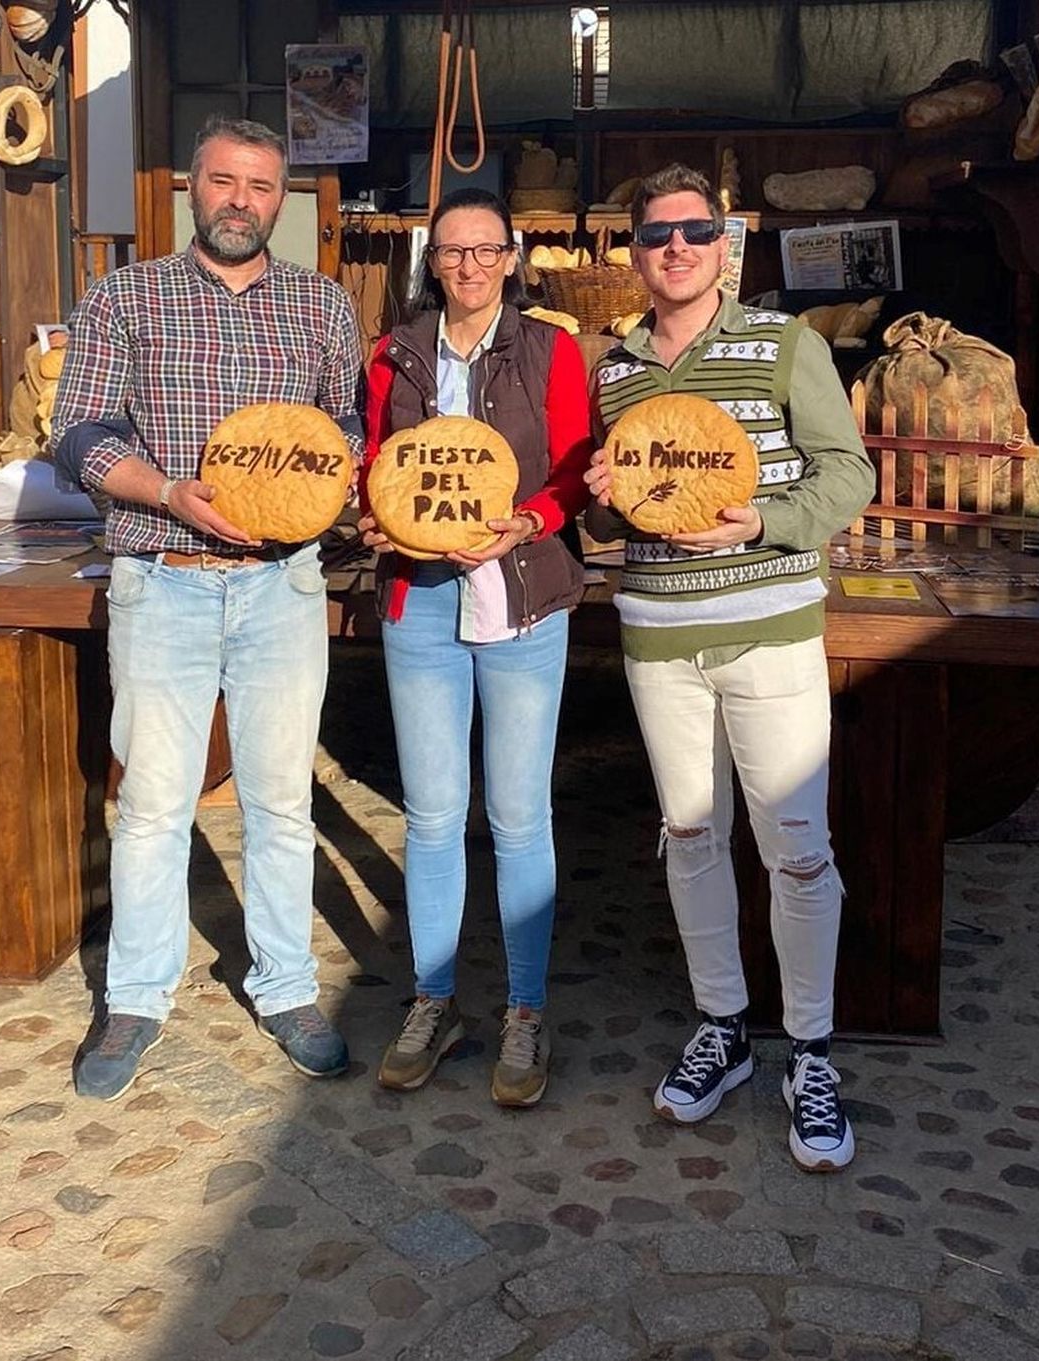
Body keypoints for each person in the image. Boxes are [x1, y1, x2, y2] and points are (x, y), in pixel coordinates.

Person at [51, 114, 364, 1099]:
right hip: (164, 577)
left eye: (261, 186)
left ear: (283, 200)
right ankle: (138, 995)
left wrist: (345, 476)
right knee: (151, 802)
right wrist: (166, 492)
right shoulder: (125, 297)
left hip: (283, 584)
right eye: (224, 181)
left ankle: (285, 986)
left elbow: (342, 421)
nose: (241, 200)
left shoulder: (321, 304)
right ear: (194, 187)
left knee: (279, 796)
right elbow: (80, 432)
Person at [584, 164, 875, 1170]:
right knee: (690, 832)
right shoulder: (613, 368)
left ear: (724, 243)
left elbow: (848, 472)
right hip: (656, 634)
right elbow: (604, 510)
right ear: (632, 248)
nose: (676, 247)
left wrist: (765, 522)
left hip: (770, 628)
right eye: (656, 233)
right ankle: (724, 1028)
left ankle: (810, 1048)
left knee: (795, 843)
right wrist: (595, 495)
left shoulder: (784, 345)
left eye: (694, 230)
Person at [358, 188, 591, 1107]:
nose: (468, 266)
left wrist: (527, 520)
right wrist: (378, 524)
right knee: (431, 813)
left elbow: (575, 466)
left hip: (524, 599)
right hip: (420, 603)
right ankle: (434, 997)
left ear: (510, 256)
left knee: (520, 815)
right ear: (432, 260)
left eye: (484, 250)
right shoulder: (395, 354)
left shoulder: (550, 349)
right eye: (452, 251)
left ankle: (526, 1011)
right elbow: (377, 465)